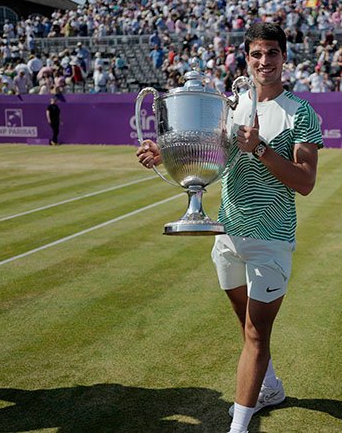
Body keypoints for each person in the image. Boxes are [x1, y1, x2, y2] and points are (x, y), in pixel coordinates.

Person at [136, 23, 323, 433]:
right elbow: (211, 154)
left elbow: (305, 182)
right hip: (227, 233)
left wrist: (260, 148)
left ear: (284, 57)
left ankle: (239, 426)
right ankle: (270, 388)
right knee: (246, 323)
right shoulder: (232, 106)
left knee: (256, 334)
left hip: (271, 238)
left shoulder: (301, 112)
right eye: (256, 54)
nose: (264, 61)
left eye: (272, 53)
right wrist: (165, 153)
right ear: (247, 58)